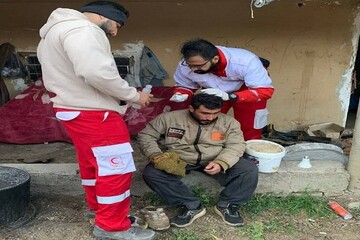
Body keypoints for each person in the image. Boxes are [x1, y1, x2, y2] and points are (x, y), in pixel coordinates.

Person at [37, 1, 155, 239]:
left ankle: (101, 212)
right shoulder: (84, 29)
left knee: (93, 165)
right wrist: (134, 95)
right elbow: (96, 73)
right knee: (116, 168)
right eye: (117, 25)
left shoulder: (53, 32)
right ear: (105, 17)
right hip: (94, 113)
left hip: (74, 110)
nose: (115, 32)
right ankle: (112, 226)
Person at [138, 93, 259, 228]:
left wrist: (222, 162)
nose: (211, 117)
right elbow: (146, 135)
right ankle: (191, 205)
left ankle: (228, 204)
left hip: (215, 158)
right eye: (205, 113)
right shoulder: (169, 118)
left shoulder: (229, 123)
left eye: (215, 113)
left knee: (249, 169)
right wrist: (156, 155)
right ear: (191, 108)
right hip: (180, 159)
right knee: (151, 173)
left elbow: (236, 145)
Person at [170, 38, 274, 141]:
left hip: (248, 89)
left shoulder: (245, 61)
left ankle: (249, 150)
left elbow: (265, 91)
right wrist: (181, 93)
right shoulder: (186, 65)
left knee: (250, 124)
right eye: (190, 65)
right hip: (212, 90)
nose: (193, 69)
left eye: (198, 66)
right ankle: (216, 146)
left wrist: (230, 97)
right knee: (212, 121)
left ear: (215, 59)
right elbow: (185, 85)